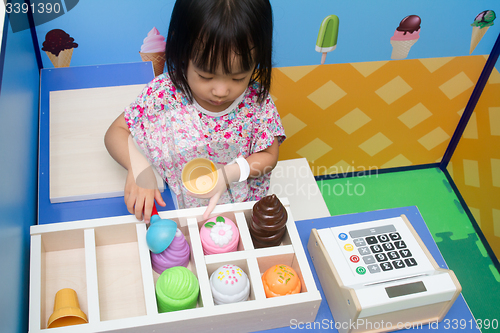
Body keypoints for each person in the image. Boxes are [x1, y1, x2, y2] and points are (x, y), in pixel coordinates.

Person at [105, 0, 285, 223]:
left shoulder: (256, 103)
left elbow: (269, 156)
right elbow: (117, 131)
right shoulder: (164, 95)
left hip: (241, 215)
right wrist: (138, 168)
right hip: (180, 210)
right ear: (183, 52)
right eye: (205, 76)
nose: (221, 91)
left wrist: (227, 175)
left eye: (238, 77)